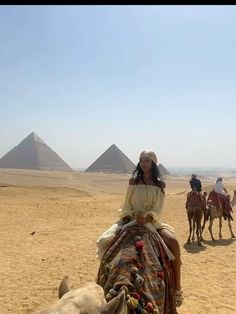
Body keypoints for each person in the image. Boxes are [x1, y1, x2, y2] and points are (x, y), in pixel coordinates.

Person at [96, 150, 183, 307]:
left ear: (153, 163)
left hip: (152, 224)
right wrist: (129, 216)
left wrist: (148, 217)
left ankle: (177, 288)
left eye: (147, 161)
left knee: (173, 242)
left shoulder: (160, 185)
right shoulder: (133, 182)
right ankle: (102, 282)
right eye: (141, 160)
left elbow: (158, 209)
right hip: (131, 221)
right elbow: (126, 204)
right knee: (105, 242)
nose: (143, 163)